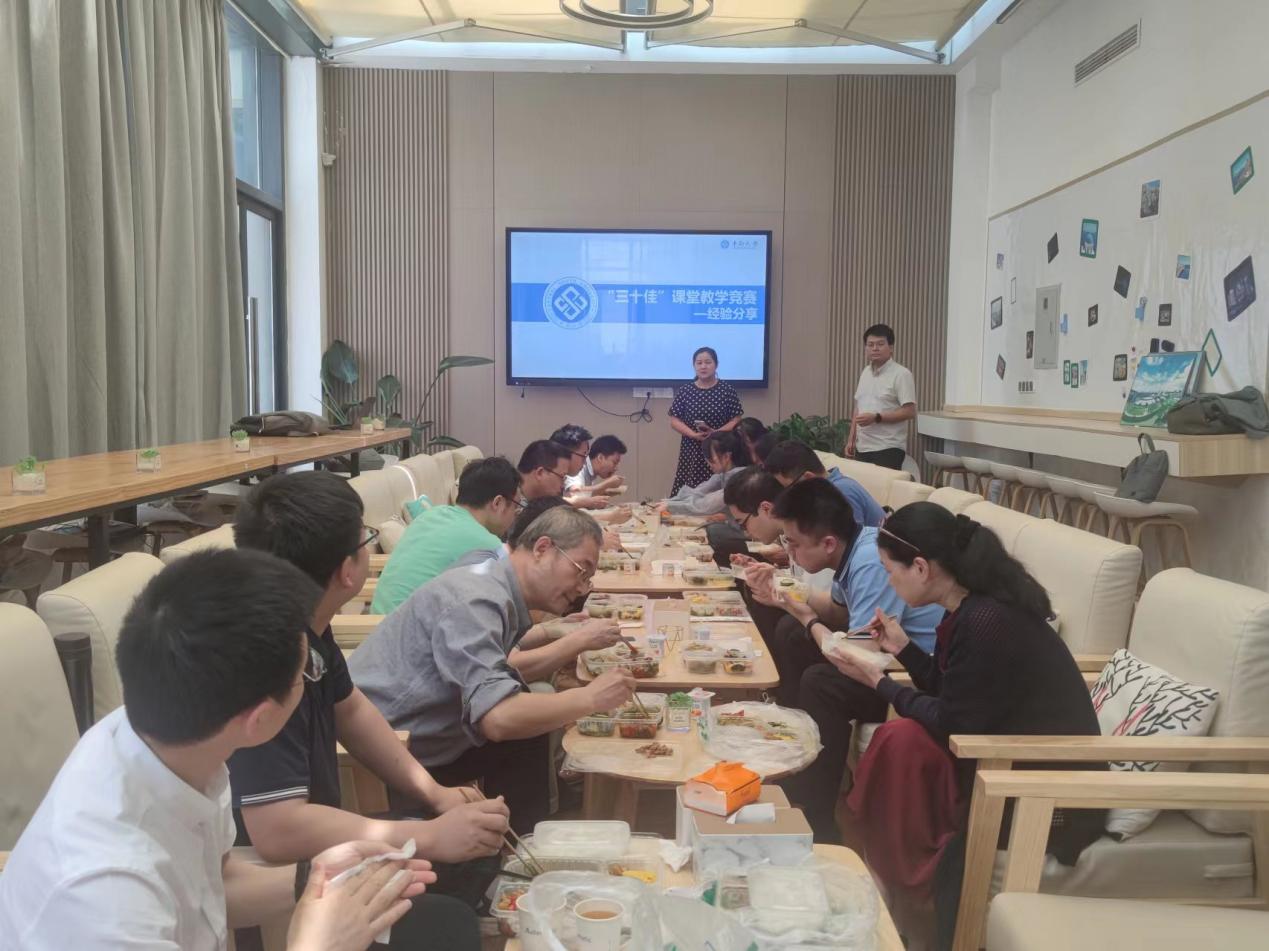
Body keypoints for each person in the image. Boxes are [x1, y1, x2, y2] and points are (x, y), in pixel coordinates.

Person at [0, 549, 450, 951]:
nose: (314, 675)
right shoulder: (105, 899)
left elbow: (214, 887)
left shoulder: (172, 744)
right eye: (308, 670)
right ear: (260, 719)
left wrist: (312, 878)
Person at [230, 472, 509, 920]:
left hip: (316, 843)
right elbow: (277, 830)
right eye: (366, 539)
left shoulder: (306, 625)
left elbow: (352, 710)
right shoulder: (266, 662)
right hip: (276, 877)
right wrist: (429, 837)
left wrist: (436, 794)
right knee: (448, 918)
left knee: (474, 855)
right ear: (347, 570)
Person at [820, 502, 1103, 944]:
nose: (889, 582)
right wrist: (903, 648)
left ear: (920, 567)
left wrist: (879, 682)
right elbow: (955, 695)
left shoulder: (986, 620)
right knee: (901, 739)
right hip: (997, 755)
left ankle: (909, 903)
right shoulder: (973, 610)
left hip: (1041, 787)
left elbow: (954, 721)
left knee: (902, 742)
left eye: (890, 571)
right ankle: (898, 889)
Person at [349, 506, 637, 832]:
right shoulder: (477, 598)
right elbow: (497, 718)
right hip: (391, 745)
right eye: (581, 571)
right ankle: (516, 846)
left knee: (531, 727)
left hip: (424, 726)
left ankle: (524, 839)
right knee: (523, 723)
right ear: (542, 548)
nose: (583, 588)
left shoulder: (489, 567)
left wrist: (550, 632)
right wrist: (591, 698)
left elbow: (493, 665)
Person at [733, 477, 940, 711]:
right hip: (881, 653)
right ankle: (785, 710)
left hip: (912, 673)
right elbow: (837, 611)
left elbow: (860, 656)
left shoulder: (870, 562)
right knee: (791, 630)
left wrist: (807, 618)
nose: (788, 552)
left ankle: (800, 725)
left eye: (794, 544)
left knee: (820, 682)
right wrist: (781, 585)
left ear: (828, 544)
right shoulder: (855, 547)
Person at [372, 458, 521, 615]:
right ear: (498, 503)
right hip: (411, 626)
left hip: (374, 621)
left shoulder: (430, 515)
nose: (515, 514)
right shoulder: (488, 546)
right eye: (516, 506)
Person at [667, 346, 744, 494]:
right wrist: (693, 434)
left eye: (708, 362)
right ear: (694, 365)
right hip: (692, 446)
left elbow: (736, 419)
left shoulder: (727, 390)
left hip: (719, 446)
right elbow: (674, 420)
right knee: (689, 486)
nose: (703, 366)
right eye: (699, 363)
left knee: (718, 489)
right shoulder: (686, 390)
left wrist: (715, 433)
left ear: (716, 365)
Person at [764, 438, 885, 529]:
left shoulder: (841, 492)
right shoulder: (823, 493)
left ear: (808, 478)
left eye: (789, 489)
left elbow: (852, 544)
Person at [847, 323, 917, 470]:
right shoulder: (865, 372)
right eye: (870, 345)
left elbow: (910, 411)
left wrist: (876, 417)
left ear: (891, 348)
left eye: (880, 344)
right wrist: (851, 439)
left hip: (888, 447)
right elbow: (858, 407)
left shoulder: (901, 374)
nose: (875, 348)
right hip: (862, 446)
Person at [662, 430, 751, 516]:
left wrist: (670, 506)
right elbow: (697, 492)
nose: (708, 463)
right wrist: (669, 502)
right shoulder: (723, 475)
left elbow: (705, 505)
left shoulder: (742, 479)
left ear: (726, 456)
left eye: (710, 458)